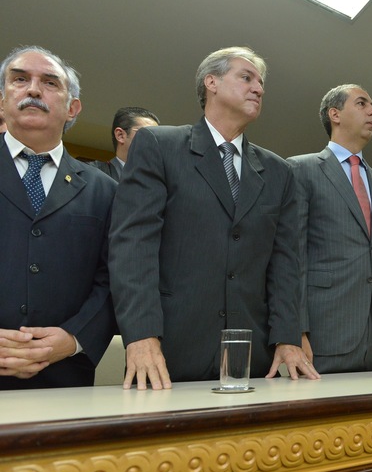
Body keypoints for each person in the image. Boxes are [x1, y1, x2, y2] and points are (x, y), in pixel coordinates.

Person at [110, 46, 318, 390]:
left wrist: (287, 336)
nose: (258, 89)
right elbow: (133, 246)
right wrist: (141, 334)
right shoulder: (159, 145)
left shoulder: (279, 172)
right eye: (246, 78)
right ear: (212, 82)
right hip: (168, 352)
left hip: (252, 358)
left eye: (261, 83)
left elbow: (285, 263)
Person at [0, 46, 116, 389]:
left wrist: (74, 338)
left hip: (66, 380)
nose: (34, 90)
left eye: (50, 83)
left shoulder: (105, 191)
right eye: (20, 79)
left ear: (72, 108)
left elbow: (114, 280)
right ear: (2, 101)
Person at [287, 84, 372, 374]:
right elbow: (293, 257)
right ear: (335, 114)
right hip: (324, 334)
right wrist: (295, 331)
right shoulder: (301, 169)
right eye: (362, 103)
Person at [89, 107, 160, 181]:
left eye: (157, 138)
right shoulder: (91, 174)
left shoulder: (160, 181)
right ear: (120, 135)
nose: (154, 143)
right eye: (148, 135)